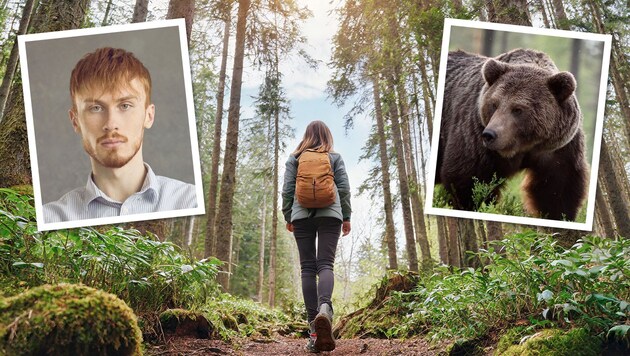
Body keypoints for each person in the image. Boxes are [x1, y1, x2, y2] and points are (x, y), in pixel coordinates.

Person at [43, 47, 196, 223]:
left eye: (125, 106)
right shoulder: (52, 219)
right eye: (96, 108)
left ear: (149, 116)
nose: (111, 124)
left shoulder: (190, 201)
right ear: (75, 120)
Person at [282, 120, 352, 353]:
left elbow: (288, 189)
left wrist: (288, 215)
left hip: (300, 215)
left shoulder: (295, 159)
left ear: (307, 136)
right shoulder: (334, 157)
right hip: (330, 213)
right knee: (325, 264)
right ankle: (325, 308)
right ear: (326, 136)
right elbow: (343, 188)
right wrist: (346, 216)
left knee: (307, 269)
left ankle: (314, 330)